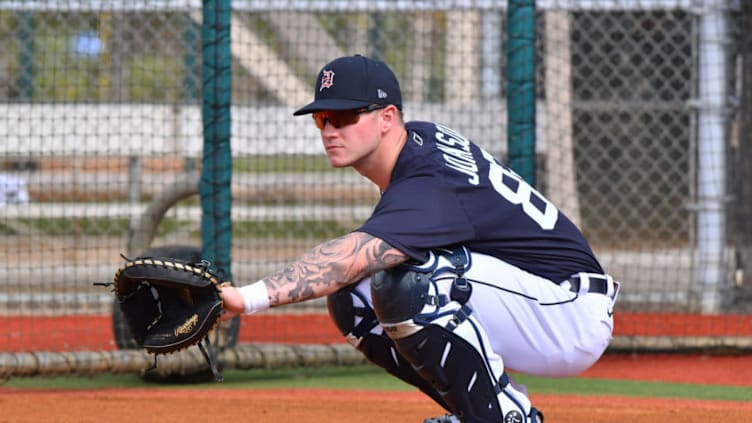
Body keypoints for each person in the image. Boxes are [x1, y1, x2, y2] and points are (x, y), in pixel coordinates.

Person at [220, 54, 619, 423]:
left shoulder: (428, 180)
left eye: (343, 116)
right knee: (351, 297)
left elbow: (352, 255)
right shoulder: (420, 142)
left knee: (408, 280)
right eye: (321, 118)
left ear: (387, 117)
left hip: (566, 310)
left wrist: (247, 297)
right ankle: (479, 410)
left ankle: (504, 416)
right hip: (532, 298)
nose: (329, 130)